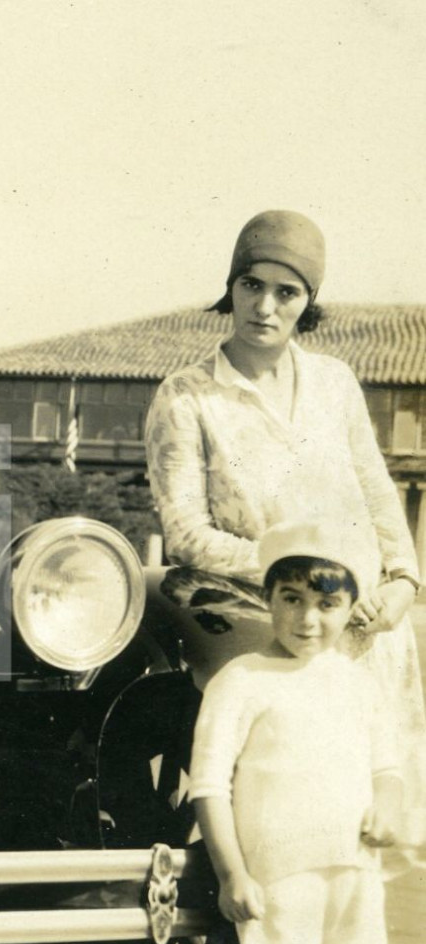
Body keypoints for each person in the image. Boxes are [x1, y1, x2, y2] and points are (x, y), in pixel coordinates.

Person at [145, 208, 425, 861]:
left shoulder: (335, 384)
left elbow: (379, 490)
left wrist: (405, 580)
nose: (264, 307)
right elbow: (186, 533)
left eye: (286, 292)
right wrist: (300, 578)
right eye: (250, 285)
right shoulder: (186, 397)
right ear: (231, 287)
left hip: (370, 632)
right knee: (288, 832)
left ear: (309, 302)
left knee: (362, 845)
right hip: (270, 627)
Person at [189, 521, 402, 944]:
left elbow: (388, 766)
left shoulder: (358, 684)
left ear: (352, 607)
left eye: (328, 604)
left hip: (350, 874)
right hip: (281, 877)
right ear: (268, 599)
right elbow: (209, 786)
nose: (309, 620)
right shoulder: (241, 681)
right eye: (293, 600)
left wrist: (387, 801)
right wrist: (233, 874)